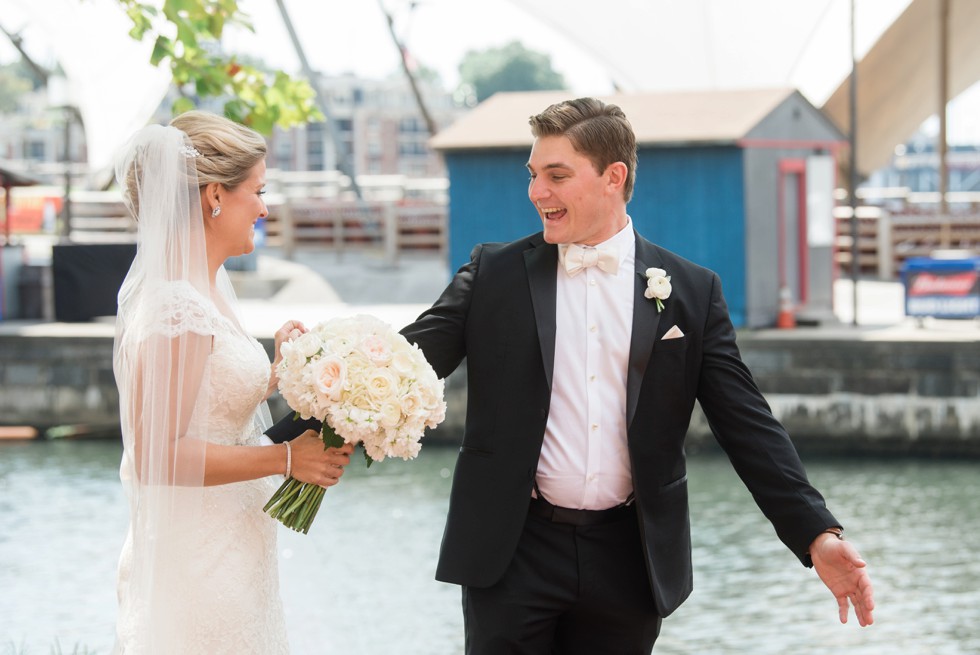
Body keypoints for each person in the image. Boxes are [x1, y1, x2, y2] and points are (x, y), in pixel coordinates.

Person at [270, 97, 874, 653]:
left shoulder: (691, 291)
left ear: (614, 177)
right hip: (512, 551)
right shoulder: (493, 274)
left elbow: (748, 425)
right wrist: (273, 440)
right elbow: (400, 367)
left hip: (630, 557)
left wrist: (817, 533)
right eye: (533, 174)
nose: (537, 191)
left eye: (556, 175)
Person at [111, 110, 353, 654]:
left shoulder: (205, 287)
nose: (264, 208)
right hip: (197, 563)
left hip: (233, 546)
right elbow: (157, 456)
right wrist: (289, 459)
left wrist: (278, 374)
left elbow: (206, 404)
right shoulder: (178, 307)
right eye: (258, 191)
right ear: (214, 196)